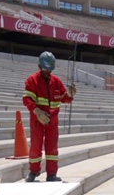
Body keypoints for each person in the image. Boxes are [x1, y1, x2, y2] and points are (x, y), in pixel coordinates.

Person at [22, 51, 76, 182]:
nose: (47, 72)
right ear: (40, 67)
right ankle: (33, 171)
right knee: (35, 146)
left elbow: (65, 99)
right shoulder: (32, 80)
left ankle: (51, 174)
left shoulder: (56, 81)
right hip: (38, 120)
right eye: (45, 69)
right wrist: (37, 112)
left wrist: (71, 95)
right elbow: (27, 99)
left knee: (52, 148)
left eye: (50, 70)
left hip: (53, 121)